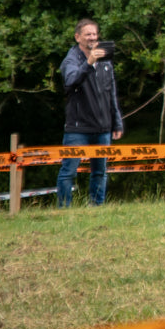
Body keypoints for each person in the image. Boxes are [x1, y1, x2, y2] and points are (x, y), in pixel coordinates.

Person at [56, 19, 124, 207]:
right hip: (78, 128)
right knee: (69, 171)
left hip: (103, 127)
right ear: (78, 37)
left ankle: (96, 207)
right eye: (88, 34)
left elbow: (111, 92)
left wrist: (116, 122)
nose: (92, 38)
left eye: (95, 34)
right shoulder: (71, 60)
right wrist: (89, 62)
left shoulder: (105, 61)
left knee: (100, 172)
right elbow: (71, 82)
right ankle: (63, 208)